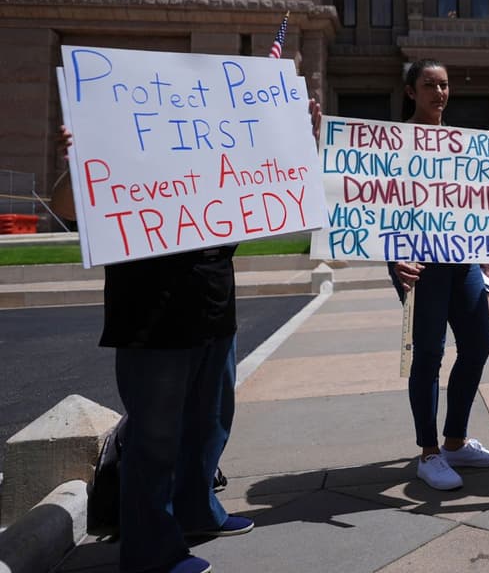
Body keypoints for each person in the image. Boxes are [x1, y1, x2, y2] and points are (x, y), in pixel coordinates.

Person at [47, 97, 319, 573]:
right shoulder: (121, 160)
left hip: (214, 308)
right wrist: (78, 163)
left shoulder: (216, 162)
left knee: (209, 423)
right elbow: (66, 206)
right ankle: (151, 552)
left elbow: (275, 187)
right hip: (151, 318)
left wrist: (300, 138)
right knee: (154, 440)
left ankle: (197, 511)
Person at [390, 58, 489, 491]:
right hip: (419, 266)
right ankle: (429, 453)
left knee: (478, 342)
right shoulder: (392, 143)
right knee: (429, 354)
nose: (439, 93)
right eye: (429, 85)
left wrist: (486, 257)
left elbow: (477, 204)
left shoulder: (463, 144)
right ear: (410, 91)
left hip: (463, 261)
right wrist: (392, 259)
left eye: (444, 85)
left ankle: (456, 441)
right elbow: (375, 206)